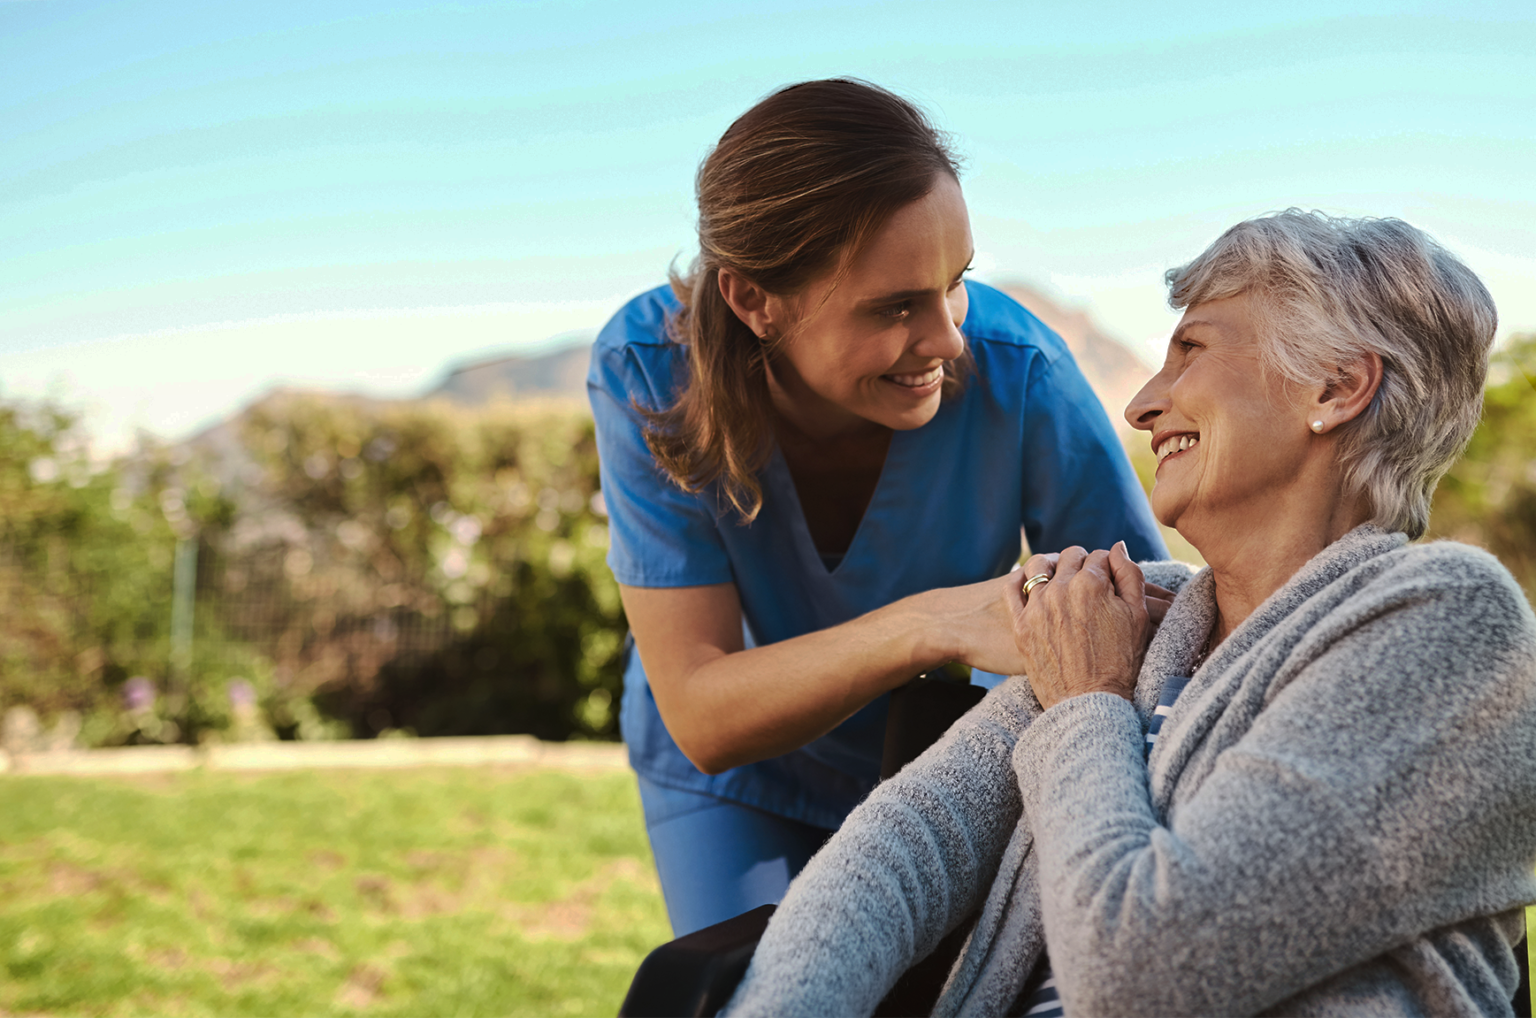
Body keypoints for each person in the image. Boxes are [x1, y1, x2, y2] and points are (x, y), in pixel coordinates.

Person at [720, 210, 1536, 1017]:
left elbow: (1145, 978)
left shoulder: (1449, 623)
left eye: (1191, 350)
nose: (1143, 404)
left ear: (1336, 386)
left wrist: (1087, 702)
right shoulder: (1142, 613)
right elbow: (906, 848)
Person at [587, 78, 1166, 936]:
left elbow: (1142, 618)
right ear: (754, 300)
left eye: (955, 282)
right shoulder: (645, 372)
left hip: (940, 761)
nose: (948, 340)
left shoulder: (1022, 369)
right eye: (895, 306)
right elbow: (703, 709)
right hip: (732, 781)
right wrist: (930, 623)